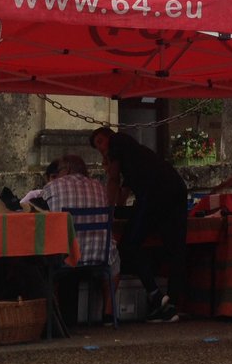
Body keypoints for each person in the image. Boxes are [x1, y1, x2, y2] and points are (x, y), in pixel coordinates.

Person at [89, 127, 186, 323]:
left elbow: (114, 180)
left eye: (99, 141)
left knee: (129, 245)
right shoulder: (135, 154)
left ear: (108, 136)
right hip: (175, 189)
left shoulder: (117, 141)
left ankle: (156, 295)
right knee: (174, 247)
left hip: (155, 195)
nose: (100, 148)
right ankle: (169, 305)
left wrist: (109, 211)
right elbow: (124, 189)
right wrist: (119, 205)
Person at [42, 154, 120, 278]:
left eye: (59, 171)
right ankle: (109, 298)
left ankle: (54, 296)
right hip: (100, 257)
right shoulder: (100, 187)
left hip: (65, 258)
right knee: (115, 265)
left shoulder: (52, 187)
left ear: (66, 170)